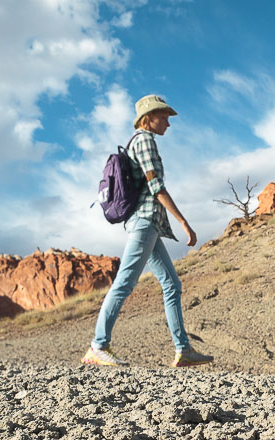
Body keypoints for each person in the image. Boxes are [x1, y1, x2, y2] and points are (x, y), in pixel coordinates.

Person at [82, 94, 213, 368]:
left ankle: (183, 349)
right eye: (163, 116)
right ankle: (98, 345)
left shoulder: (142, 141)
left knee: (171, 284)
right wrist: (184, 222)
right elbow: (156, 188)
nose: (168, 122)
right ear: (148, 117)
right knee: (125, 283)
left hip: (148, 224)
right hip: (144, 222)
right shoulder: (145, 140)